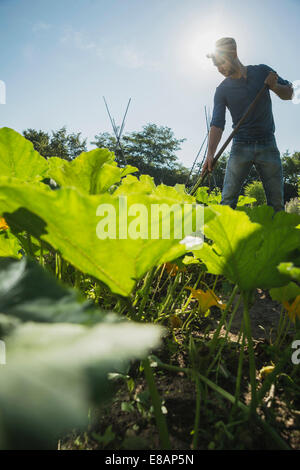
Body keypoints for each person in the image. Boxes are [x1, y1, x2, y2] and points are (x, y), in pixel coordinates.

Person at [202, 37, 294, 212]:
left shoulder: (262, 72)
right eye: (216, 66)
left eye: (221, 63)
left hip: (268, 144)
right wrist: (210, 154)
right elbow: (217, 123)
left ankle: (277, 238)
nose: (220, 69)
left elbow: (289, 93)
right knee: (227, 201)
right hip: (240, 145)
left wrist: (274, 87)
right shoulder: (222, 90)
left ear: (234, 54)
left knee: (276, 204)